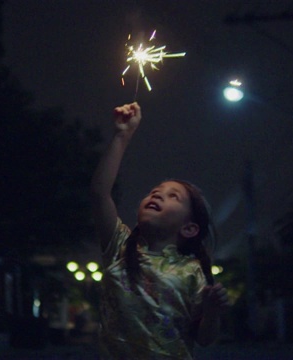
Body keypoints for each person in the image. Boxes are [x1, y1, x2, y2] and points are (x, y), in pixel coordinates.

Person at [91, 102, 230, 359]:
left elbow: (204, 339)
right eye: (155, 191)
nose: (157, 194)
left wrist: (211, 311)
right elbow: (100, 194)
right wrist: (122, 135)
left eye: (173, 196)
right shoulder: (119, 247)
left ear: (188, 228)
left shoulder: (191, 271)